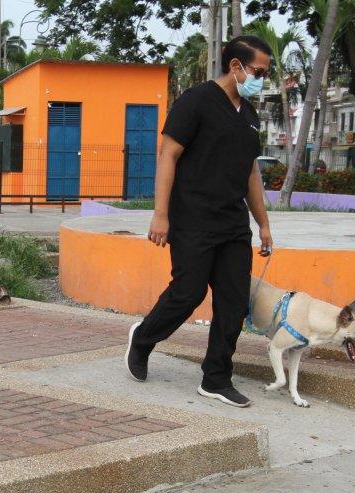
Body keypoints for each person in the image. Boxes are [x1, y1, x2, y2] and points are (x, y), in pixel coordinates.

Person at [124, 35, 274, 408]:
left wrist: (264, 224)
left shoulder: (250, 116)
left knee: (233, 300)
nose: (261, 79)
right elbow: (168, 155)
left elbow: (251, 174)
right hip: (192, 217)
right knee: (188, 294)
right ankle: (143, 339)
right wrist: (161, 214)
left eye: (265, 73)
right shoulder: (196, 101)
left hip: (233, 224)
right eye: (257, 71)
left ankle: (216, 378)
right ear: (235, 66)